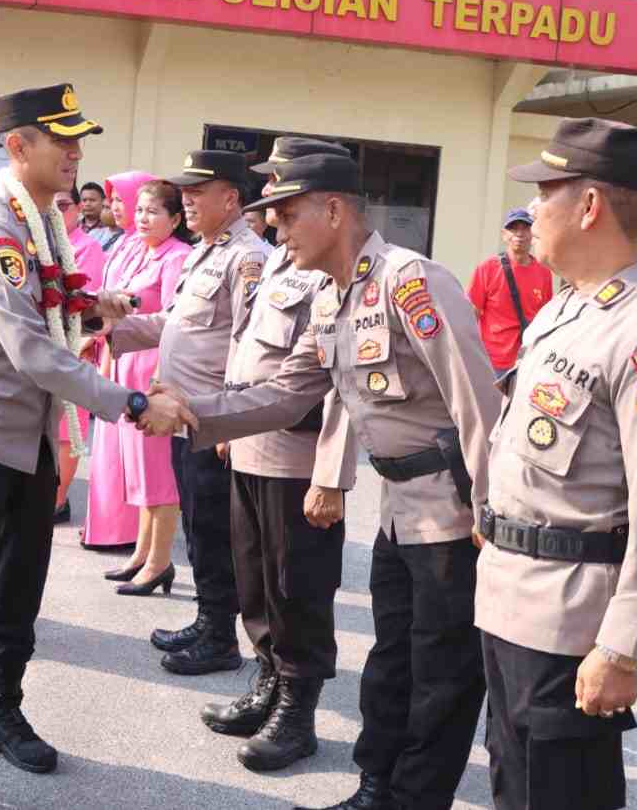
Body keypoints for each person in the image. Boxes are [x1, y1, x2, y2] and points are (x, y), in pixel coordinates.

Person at [151, 151, 501, 810]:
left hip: (453, 513)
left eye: (287, 215)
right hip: (400, 509)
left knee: (442, 672)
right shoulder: (337, 298)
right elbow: (289, 396)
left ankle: (414, 798)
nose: (278, 231)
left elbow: (476, 401)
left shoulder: (411, 282)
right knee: (392, 662)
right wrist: (193, 412)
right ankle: (376, 784)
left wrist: (490, 507)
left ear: (335, 209)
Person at [0, 82, 188, 810]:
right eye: (60, 138)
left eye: (79, 139)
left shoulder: (43, 226)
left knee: (18, 593)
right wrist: (131, 401)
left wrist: (121, 313)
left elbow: (62, 311)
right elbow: (35, 350)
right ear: (17, 146)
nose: (75, 152)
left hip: (33, 442)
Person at [476, 118, 637, 810]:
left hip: (572, 624)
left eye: (546, 193)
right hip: (509, 599)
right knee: (513, 786)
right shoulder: (566, 309)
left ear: (589, 207)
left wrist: (622, 645)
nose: (531, 212)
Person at [186, 136, 359, 773]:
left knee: (299, 590)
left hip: (298, 461)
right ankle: (267, 680)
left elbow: (342, 389)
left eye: (286, 210)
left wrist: (332, 477)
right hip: (251, 448)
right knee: (255, 581)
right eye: (276, 211)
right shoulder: (283, 264)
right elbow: (246, 351)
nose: (275, 223)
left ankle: (299, 710)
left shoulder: (338, 273)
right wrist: (229, 423)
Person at [107, 149, 270, 676]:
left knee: (217, 532)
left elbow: (249, 343)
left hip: (212, 423)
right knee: (198, 528)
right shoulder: (207, 252)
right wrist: (111, 328)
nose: (189, 200)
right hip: (184, 420)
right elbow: (174, 325)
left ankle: (221, 637)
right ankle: (208, 617)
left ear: (232, 197)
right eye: (187, 192)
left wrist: (230, 423)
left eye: (200, 192)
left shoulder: (248, 258)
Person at [104, 180, 192, 594]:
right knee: (139, 468)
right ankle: (141, 553)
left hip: (153, 368)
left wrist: (163, 379)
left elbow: (175, 325)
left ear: (175, 219)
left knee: (158, 473)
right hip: (128, 365)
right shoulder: (140, 251)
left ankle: (159, 562)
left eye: (154, 211)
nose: (142, 218)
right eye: (139, 209)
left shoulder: (178, 257)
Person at [80, 169, 154, 547]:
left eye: (123, 200)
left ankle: (125, 534)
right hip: (112, 349)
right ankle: (104, 526)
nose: (119, 209)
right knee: (107, 447)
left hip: (140, 355)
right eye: (120, 202)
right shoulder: (124, 243)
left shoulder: (161, 251)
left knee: (132, 452)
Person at [51, 185, 106, 524]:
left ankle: (56, 502)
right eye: (52, 205)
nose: (58, 212)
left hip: (73, 349)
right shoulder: (41, 242)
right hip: (43, 349)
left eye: (65, 205)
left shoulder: (89, 248)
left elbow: (88, 304)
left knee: (67, 432)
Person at [468, 208, 553, 375]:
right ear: (504, 234)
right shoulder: (487, 269)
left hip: (528, 360)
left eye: (525, 228)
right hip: (492, 361)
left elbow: (547, 317)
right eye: (513, 228)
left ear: (533, 234)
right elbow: (471, 313)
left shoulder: (544, 272)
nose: (519, 234)